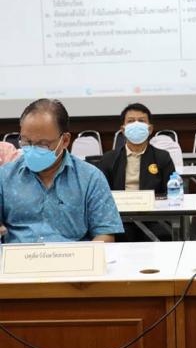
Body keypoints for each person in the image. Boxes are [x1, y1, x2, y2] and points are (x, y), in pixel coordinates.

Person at [0, 99, 124, 243]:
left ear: (65, 140)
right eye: (26, 142)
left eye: (43, 144)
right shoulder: (5, 176)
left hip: (74, 255)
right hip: (18, 255)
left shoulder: (90, 178)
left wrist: (85, 256)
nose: (32, 149)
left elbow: (106, 234)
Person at [98, 103, 175, 241]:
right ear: (123, 129)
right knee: (120, 235)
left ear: (150, 129)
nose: (136, 124)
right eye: (131, 121)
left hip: (154, 217)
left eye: (141, 121)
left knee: (161, 235)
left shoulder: (162, 157)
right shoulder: (109, 159)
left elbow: (171, 193)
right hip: (120, 217)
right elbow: (101, 196)